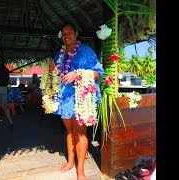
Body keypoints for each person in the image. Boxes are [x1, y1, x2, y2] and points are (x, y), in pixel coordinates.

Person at [48, 23, 104, 180]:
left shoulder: (86, 51)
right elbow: (53, 74)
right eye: (64, 33)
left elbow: (98, 74)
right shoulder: (59, 54)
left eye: (70, 32)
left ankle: (81, 171)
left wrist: (77, 73)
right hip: (65, 97)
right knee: (70, 131)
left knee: (80, 132)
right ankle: (70, 162)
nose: (66, 35)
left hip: (81, 99)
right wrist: (51, 69)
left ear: (76, 33)